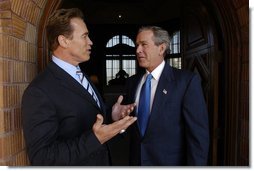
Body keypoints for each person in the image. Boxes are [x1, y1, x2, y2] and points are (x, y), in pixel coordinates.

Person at [21, 8, 137, 166]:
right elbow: (42, 157)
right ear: (64, 41)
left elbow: (89, 115)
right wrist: (95, 139)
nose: (90, 42)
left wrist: (112, 113)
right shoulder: (39, 92)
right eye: (84, 36)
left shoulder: (81, 75)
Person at [124, 26, 209, 166]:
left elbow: (198, 137)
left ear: (161, 48)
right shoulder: (132, 82)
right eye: (137, 45)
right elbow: (129, 126)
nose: (138, 50)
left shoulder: (186, 82)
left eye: (144, 44)